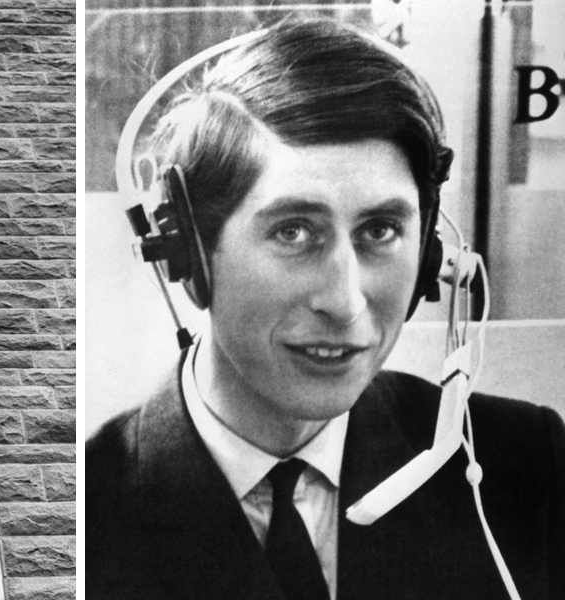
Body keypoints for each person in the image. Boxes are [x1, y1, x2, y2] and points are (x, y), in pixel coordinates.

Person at [86, 18, 565, 600]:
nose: (344, 301)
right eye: (293, 232)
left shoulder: (522, 464)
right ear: (190, 253)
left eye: (381, 229)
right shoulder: (86, 511)